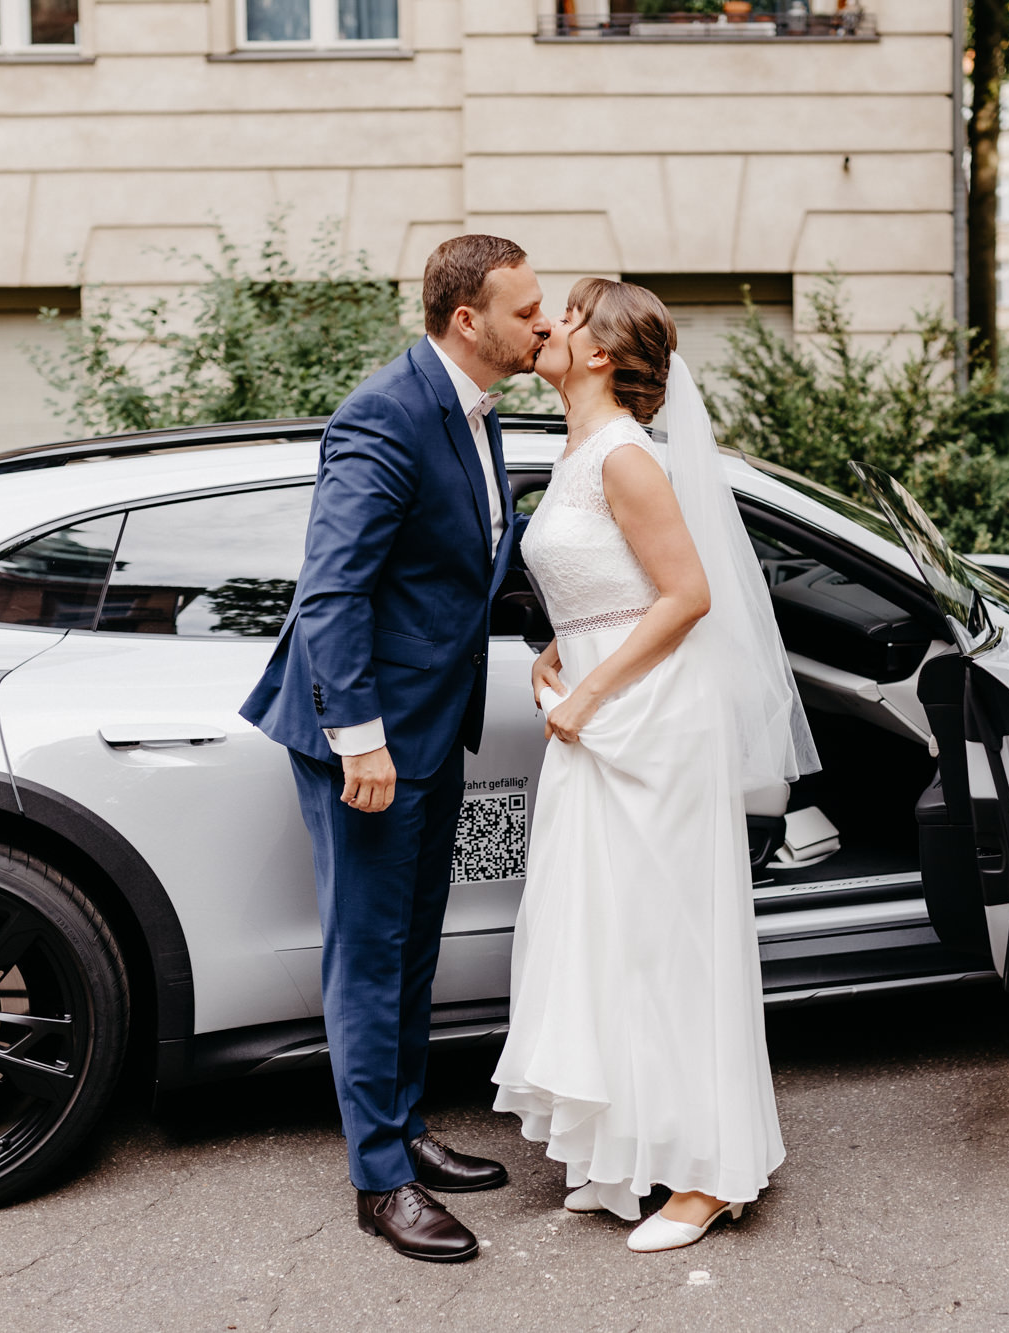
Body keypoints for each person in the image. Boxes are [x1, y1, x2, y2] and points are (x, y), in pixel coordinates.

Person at [490, 278, 818, 1253]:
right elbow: (611, 590)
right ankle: (621, 1155)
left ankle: (709, 1173)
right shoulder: (578, 449)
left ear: (598, 354)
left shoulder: (626, 458)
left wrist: (590, 691)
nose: (547, 325)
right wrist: (563, 652)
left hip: (651, 726)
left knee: (670, 942)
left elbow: (686, 596)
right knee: (601, 937)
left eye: (567, 317)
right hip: (596, 717)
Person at [240, 234, 551, 1264]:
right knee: (369, 956)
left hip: (431, 722)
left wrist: (550, 630)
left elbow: (464, 564)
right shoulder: (386, 412)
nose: (541, 325)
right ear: (469, 320)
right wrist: (358, 739)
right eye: (526, 310)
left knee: (414, 943)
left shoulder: (469, 411)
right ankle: (379, 1181)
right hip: (368, 735)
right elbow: (331, 590)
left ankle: (407, 1128)